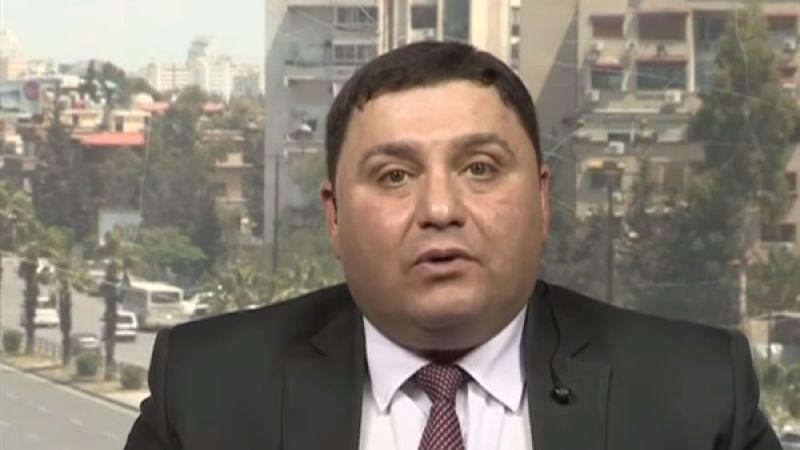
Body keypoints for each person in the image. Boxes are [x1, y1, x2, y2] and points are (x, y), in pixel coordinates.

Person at [125, 41, 781, 450]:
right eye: (394, 176)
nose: (440, 210)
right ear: (334, 218)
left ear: (542, 200)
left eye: (481, 169)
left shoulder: (697, 398)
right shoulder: (207, 391)